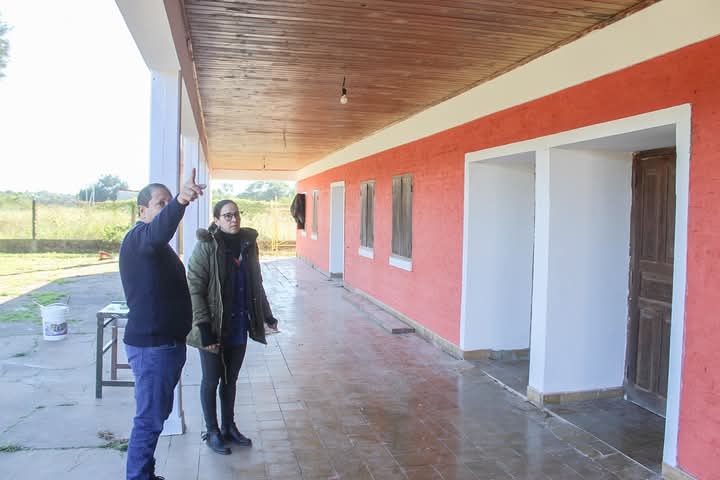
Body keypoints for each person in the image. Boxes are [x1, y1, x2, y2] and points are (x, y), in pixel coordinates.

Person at [119, 169, 205, 480]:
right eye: (160, 203)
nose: (166, 207)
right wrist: (181, 200)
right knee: (150, 419)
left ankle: (145, 473)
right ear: (141, 211)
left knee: (156, 414)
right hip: (153, 347)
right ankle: (139, 476)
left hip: (163, 345)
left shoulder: (153, 244)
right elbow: (160, 231)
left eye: (169, 201)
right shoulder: (141, 238)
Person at [186, 199, 279, 455]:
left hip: (238, 324)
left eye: (236, 214)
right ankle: (212, 431)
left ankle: (229, 427)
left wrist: (266, 315)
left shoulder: (248, 244)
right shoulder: (206, 246)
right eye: (227, 216)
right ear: (216, 220)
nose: (234, 219)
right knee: (211, 380)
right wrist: (203, 327)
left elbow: (256, 283)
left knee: (231, 379)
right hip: (213, 327)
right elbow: (194, 287)